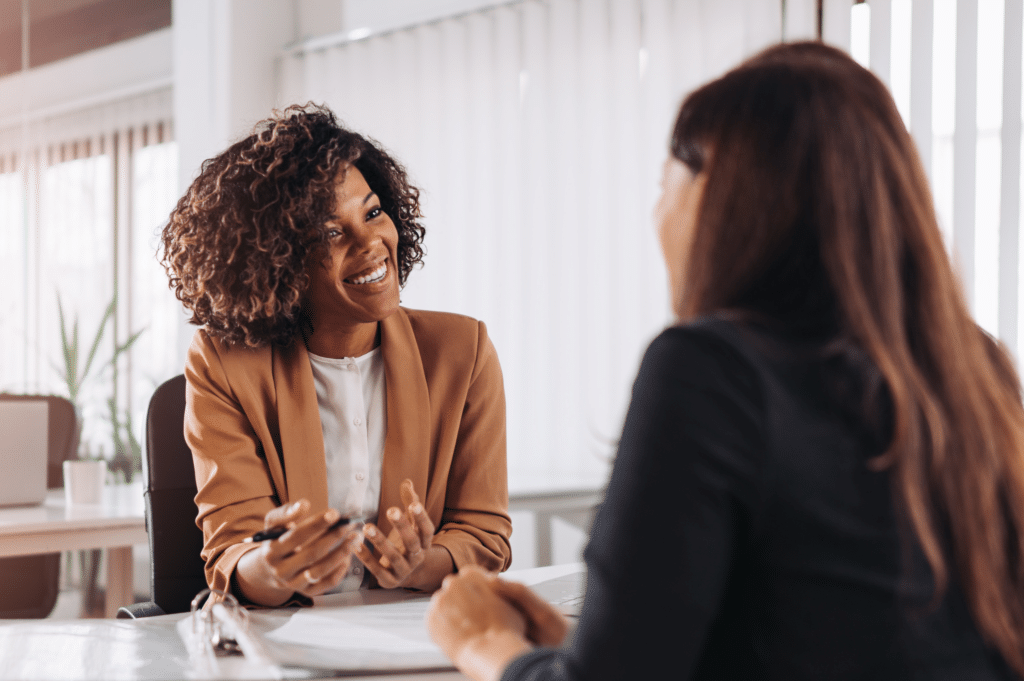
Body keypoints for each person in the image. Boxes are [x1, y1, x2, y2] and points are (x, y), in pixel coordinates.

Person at [426, 41, 1024, 680]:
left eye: (665, 184)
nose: (659, 212)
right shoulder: (972, 368)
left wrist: (484, 643)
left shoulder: (710, 370)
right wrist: (576, 644)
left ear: (718, 192)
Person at [160, 104, 512, 607]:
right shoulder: (224, 363)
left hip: (414, 639)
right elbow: (232, 554)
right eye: (330, 232)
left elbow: (485, 535)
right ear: (276, 261)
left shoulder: (462, 351)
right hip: (285, 643)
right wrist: (278, 567)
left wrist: (419, 563)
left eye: (372, 213)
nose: (371, 243)